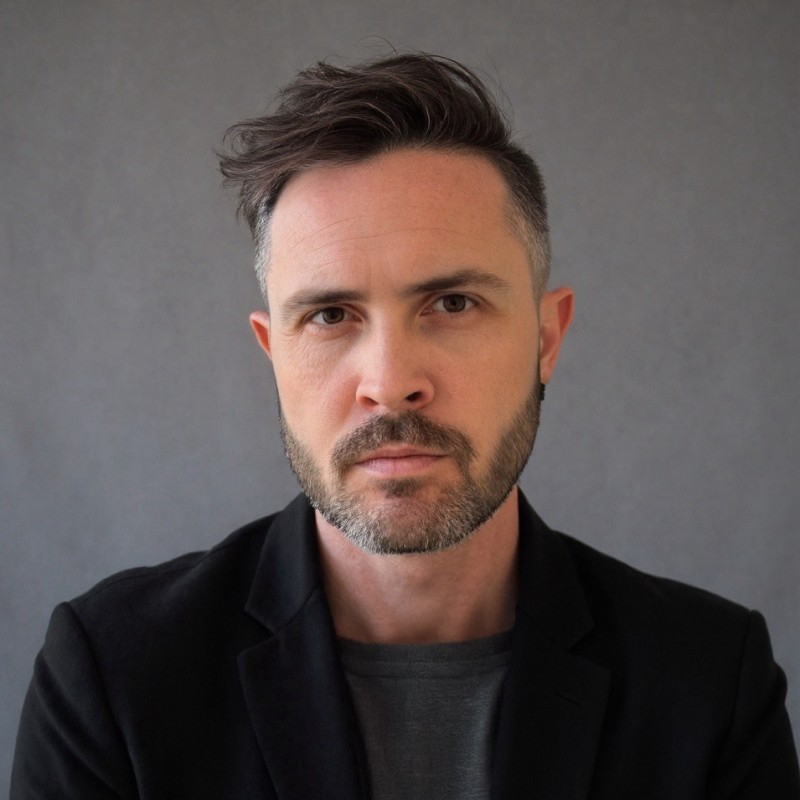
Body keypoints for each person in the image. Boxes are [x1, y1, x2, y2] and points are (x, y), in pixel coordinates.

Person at [11, 52, 799, 799]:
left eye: (452, 304)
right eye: (330, 315)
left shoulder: (710, 683)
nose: (391, 384)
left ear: (545, 339)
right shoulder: (113, 676)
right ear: (273, 354)